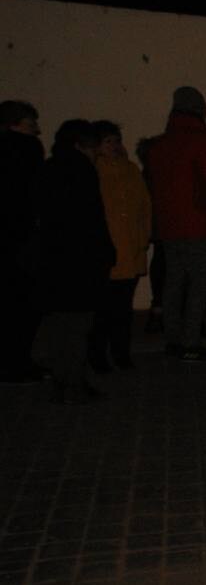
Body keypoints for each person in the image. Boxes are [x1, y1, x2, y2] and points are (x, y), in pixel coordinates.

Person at [35, 120, 116, 403]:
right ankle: (73, 383)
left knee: (60, 325)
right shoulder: (81, 172)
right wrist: (105, 253)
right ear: (81, 145)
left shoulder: (49, 168)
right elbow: (91, 221)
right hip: (79, 261)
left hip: (54, 259)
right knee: (78, 325)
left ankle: (62, 379)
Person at [147, 86, 206, 361]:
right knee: (200, 283)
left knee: (174, 282)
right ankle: (191, 341)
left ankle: (173, 339)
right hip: (196, 222)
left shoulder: (161, 144)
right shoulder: (201, 141)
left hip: (168, 225)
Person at [89, 121, 151, 372]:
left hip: (130, 251)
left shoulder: (130, 170)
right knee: (102, 310)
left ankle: (121, 353)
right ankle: (97, 356)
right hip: (106, 253)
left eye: (117, 141)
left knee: (122, 310)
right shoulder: (94, 171)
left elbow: (144, 207)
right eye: (108, 142)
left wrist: (143, 238)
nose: (115, 146)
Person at [0, 100, 46, 384]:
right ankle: (17, 363)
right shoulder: (26, 149)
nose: (37, 131)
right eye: (31, 125)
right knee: (24, 304)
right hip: (21, 238)